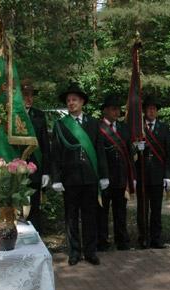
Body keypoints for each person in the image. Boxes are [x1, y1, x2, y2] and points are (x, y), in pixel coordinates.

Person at [51, 83, 108, 266]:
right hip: (70, 179)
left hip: (90, 177)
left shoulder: (93, 123)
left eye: (74, 99)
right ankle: (74, 252)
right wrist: (56, 178)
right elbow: (56, 153)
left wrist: (104, 175)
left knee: (91, 216)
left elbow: (100, 150)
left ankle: (91, 251)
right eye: (68, 100)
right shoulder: (60, 125)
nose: (71, 103)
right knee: (71, 217)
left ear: (82, 102)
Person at [96, 94, 133, 251]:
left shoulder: (124, 128)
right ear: (105, 111)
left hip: (120, 177)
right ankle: (102, 241)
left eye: (118, 110)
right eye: (113, 109)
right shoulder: (97, 128)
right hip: (105, 177)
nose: (116, 113)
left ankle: (121, 240)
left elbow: (129, 153)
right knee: (102, 212)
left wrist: (132, 176)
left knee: (120, 211)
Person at [135, 96, 170, 249]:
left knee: (156, 209)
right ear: (144, 111)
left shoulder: (164, 127)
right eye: (148, 108)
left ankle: (156, 238)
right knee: (142, 209)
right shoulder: (138, 127)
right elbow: (129, 150)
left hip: (157, 175)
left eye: (154, 109)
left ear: (157, 112)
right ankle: (143, 237)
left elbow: (168, 154)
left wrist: (167, 176)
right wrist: (137, 147)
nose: (151, 111)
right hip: (141, 174)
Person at [21, 80, 51, 234]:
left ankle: (35, 241)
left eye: (31, 95)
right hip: (15, 170)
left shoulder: (39, 115)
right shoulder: (11, 115)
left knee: (34, 207)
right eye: (25, 95)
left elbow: (45, 144)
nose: (29, 98)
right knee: (17, 209)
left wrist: (46, 171)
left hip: (35, 168)